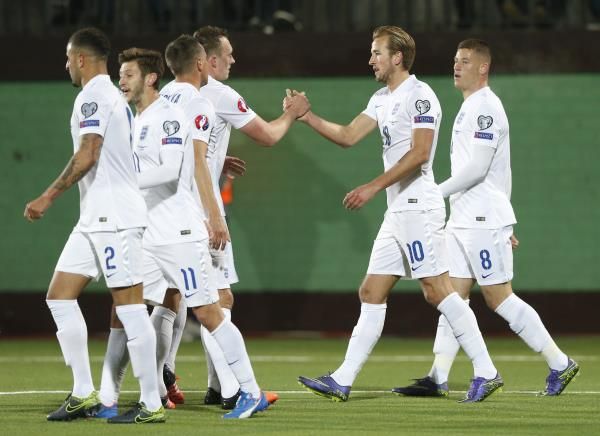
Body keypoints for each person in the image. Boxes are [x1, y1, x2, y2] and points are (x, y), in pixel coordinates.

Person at [291, 25, 502, 403]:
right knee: (371, 291)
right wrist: (308, 117)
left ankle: (486, 371)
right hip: (398, 211)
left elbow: (420, 153)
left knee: (437, 290)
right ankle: (342, 379)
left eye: (377, 53)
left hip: (419, 208)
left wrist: (372, 187)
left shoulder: (421, 96)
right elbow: (348, 136)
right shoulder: (380, 98)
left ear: (397, 57)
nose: (371, 59)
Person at [393, 39, 579, 398]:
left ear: (483, 68)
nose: (456, 66)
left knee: (498, 298)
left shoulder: (486, 108)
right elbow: (494, 171)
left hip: (481, 219)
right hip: (466, 218)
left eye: (465, 61)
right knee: (452, 296)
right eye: (455, 60)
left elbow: (479, 168)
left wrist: (437, 192)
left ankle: (559, 363)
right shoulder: (471, 106)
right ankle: (437, 376)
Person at [112, 40, 270, 420]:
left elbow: (178, 168)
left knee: (209, 311)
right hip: (151, 232)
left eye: (128, 75)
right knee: (132, 308)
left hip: (180, 233)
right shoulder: (146, 115)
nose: (122, 82)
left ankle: (249, 392)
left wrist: (125, 180)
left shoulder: (174, 110)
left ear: (152, 77)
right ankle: (149, 399)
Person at [23, 27, 163, 422]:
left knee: (130, 308)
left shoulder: (95, 96)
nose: (66, 65)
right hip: (94, 218)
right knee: (59, 296)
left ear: (80, 59)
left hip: (115, 219)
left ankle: (151, 404)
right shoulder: (109, 96)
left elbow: (89, 152)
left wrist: (48, 196)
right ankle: (84, 392)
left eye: (68, 58)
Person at [173, 25, 308, 409]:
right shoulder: (219, 94)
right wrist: (291, 114)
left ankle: (200, 384)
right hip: (202, 212)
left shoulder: (170, 95)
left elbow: (183, 150)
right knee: (215, 300)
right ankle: (234, 389)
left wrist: (216, 160)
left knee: (173, 299)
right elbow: (268, 135)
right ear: (209, 60)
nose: (233, 59)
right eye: (228, 54)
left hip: (169, 212)